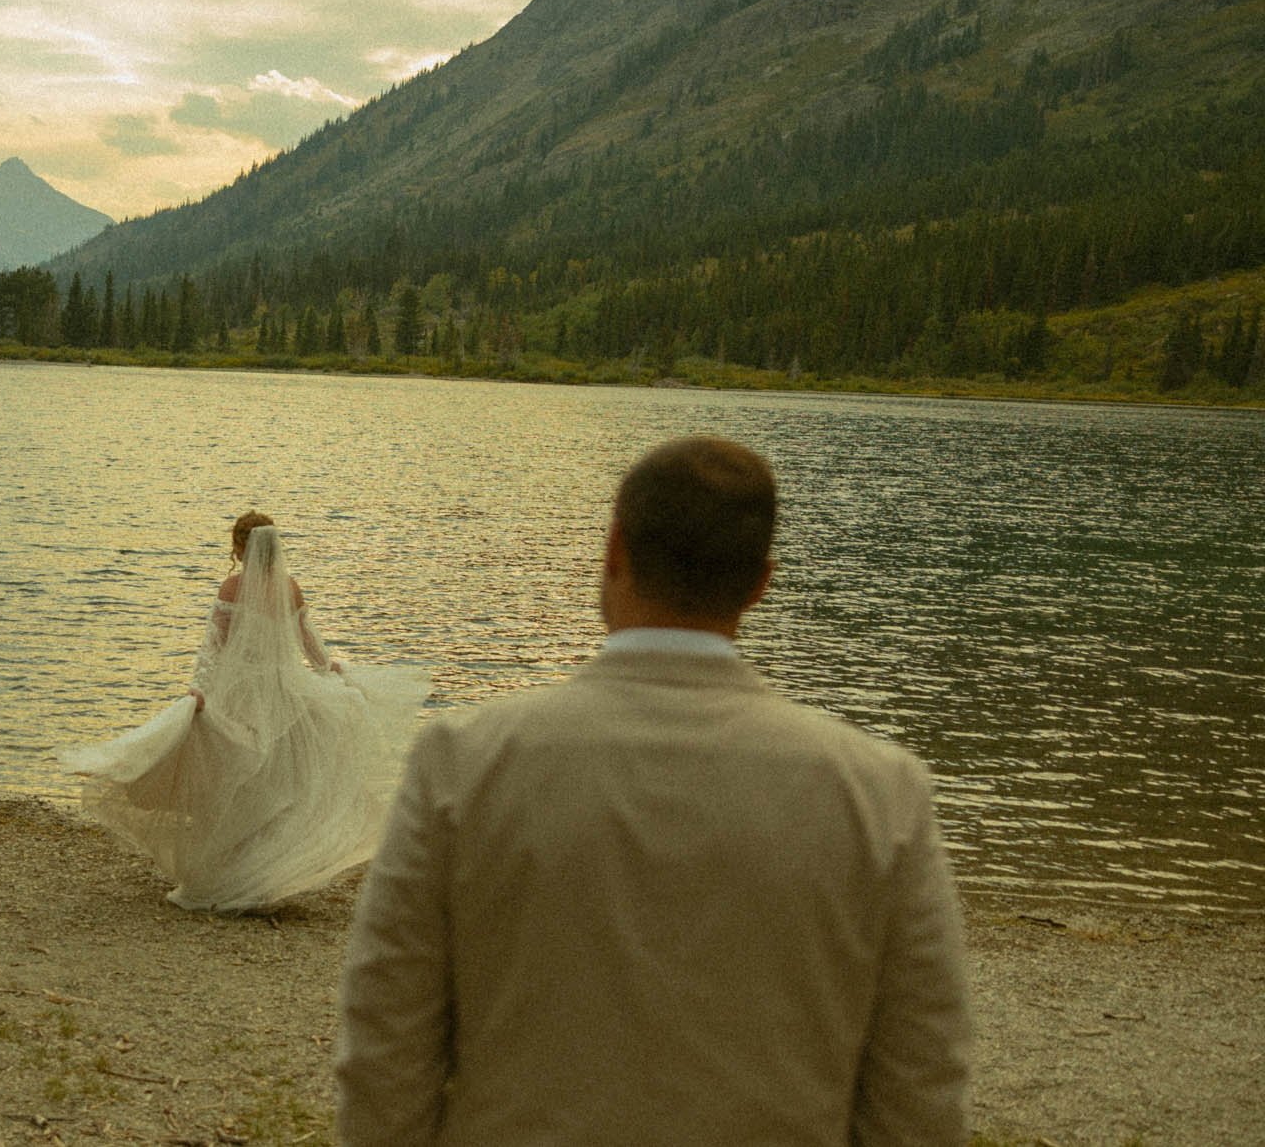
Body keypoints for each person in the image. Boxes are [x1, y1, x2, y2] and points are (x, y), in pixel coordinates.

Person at [335, 437, 971, 1145]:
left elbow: (386, 1049)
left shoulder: (461, 762)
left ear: (613, 549)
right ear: (761, 582)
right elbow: (921, 1086)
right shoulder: (881, 794)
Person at [61, 512, 429, 913]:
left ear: (239, 548)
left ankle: (237, 874)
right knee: (279, 782)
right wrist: (330, 670)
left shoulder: (233, 587)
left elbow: (214, 646)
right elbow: (308, 640)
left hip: (244, 694)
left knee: (240, 783)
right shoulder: (290, 588)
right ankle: (263, 877)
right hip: (286, 694)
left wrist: (199, 689)